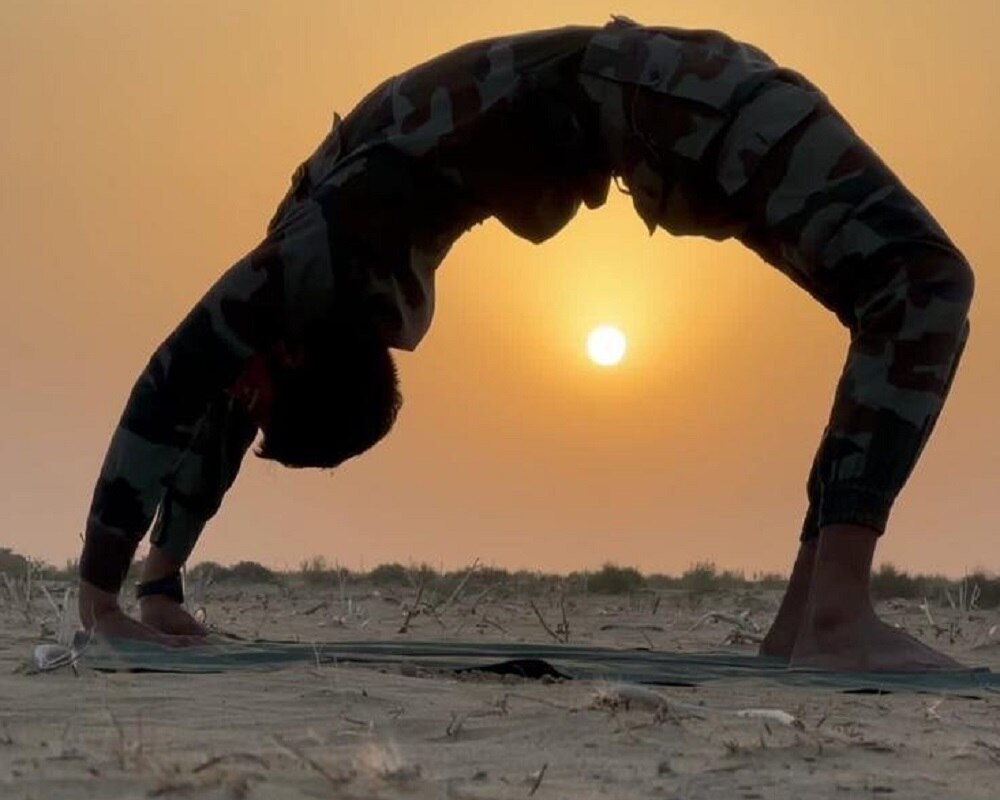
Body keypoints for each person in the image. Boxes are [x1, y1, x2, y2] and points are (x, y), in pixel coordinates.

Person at [77, 18, 974, 671]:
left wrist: (100, 601)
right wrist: (158, 585)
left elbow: (174, 382)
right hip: (661, 101)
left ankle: (824, 616)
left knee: (916, 283)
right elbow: (214, 402)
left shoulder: (310, 258)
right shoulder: (310, 281)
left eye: (251, 391)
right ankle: (821, 618)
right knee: (912, 286)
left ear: (293, 353)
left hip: (664, 90)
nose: (236, 398)